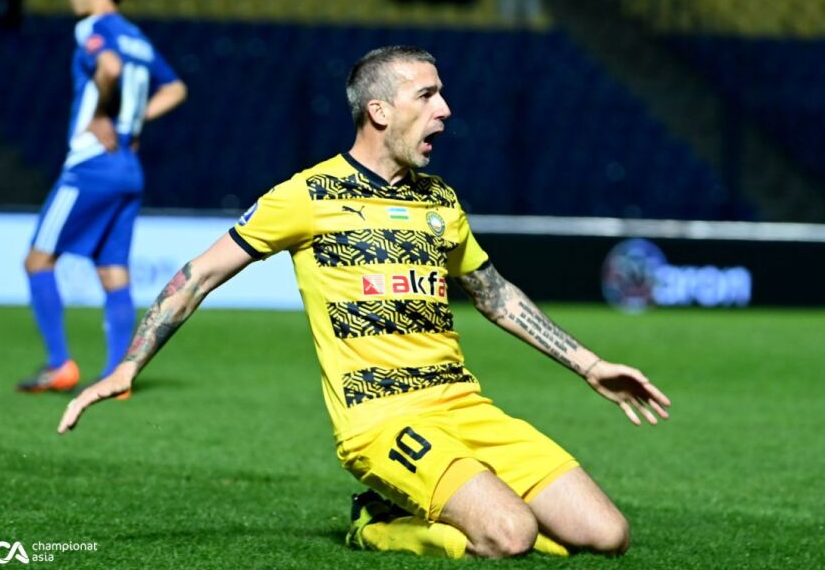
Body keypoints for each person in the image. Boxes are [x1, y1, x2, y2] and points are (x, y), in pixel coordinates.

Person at [57, 46, 670, 559]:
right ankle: (377, 522)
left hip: (464, 405)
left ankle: (460, 504)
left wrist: (590, 365)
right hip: (382, 421)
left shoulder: (440, 201)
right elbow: (198, 276)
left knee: (607, 535)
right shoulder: (308, 195)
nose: (445, 109)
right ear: (379, 111)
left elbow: (495, 294)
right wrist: (130, 366)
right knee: (510, 536)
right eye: (427, 96)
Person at [18, 0, 187, 396]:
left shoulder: (92, 27)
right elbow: (176, 88)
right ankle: (118, 376)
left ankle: (59, 364)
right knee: (113, 271)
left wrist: (99, 114)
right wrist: (135, 123)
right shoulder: (137, 37)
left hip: (91, 163)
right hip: (128, 167)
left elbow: (108, 67)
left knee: (37, 262)